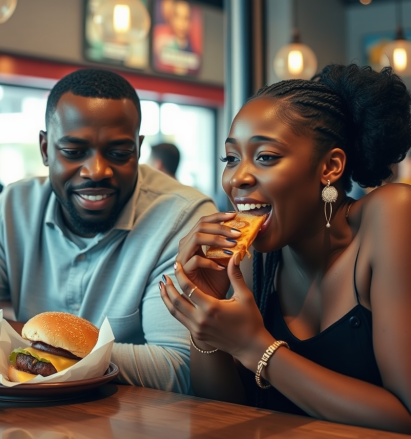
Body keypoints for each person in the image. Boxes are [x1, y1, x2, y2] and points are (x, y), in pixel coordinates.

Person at [160, 64, 411, 432]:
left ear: (330, 166)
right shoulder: (254, 257)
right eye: (231, 158)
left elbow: (404, 418)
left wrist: (256, 348)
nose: (238, 178)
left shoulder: (392, 214)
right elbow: (224, 412)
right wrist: (207, 318)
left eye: (265, 157)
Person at [0, 68, 217, 393]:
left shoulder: (183, 218)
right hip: (24, 419)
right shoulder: (14, 208)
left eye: (118, 153)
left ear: (138, 150)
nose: (96, 171)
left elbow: (179, 367)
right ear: (45, 149)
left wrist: (33, 344)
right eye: (73, 152)